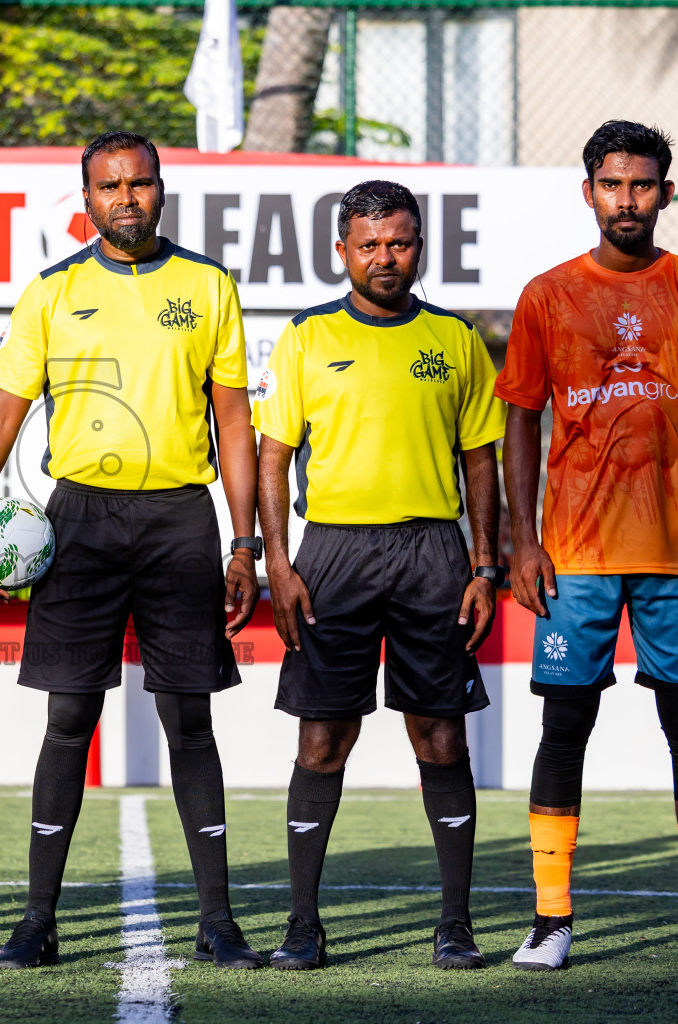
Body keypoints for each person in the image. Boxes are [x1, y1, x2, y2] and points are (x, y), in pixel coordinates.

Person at [0, 131, 263, 969]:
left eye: (139, 183)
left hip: (180, 521)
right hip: (79, 520)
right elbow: (1, 416)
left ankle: (218, 921)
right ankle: (36, 922)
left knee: (189, 718)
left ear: (161, 191)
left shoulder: (209, 285)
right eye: (110, 186)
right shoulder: (52, 291)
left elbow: (233, 421)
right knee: (69, 717)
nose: (126, 198)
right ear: (86, 201)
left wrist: (245, 542)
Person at [495, 120, 678, 971]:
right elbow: (519, 421)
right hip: (573, 555)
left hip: (676, 554)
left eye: (642, 185)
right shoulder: (546, 296)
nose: (627, 199)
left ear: (665, 193)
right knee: (565, 724)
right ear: (589, 193)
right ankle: (551, 920)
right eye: (612, 184)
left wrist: (676, 472)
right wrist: (522, 539)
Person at [253, 180, 506, 971]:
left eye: (398, 242)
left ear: (419, 246)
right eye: (369, 245)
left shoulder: (455, 339)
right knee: (322, 738)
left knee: (441, 734)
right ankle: (302, 925)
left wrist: (485, 565)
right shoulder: (306, 336)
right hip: (332, 553)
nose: (384, 257)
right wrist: (278, 562)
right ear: (342, 251)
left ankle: (455, 924)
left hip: (434, 553)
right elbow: (272, 456)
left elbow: (481, 460)